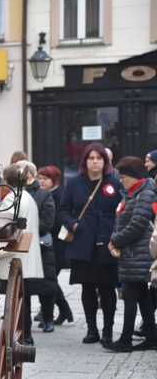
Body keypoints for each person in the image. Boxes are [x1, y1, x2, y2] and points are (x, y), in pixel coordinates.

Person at [59, 143, 122, 346]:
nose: (95, 161)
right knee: (87, 288)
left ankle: (107, 330)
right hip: (82, 242)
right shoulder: (74, 183)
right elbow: (63, 210)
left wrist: (115, 230)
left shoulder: (114, 182)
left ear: (105, 161)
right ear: (84, 161)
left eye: (99, 158)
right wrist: (73, 224)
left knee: (107, 288)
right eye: (91, 158)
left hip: (107, 241)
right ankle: (92, 329)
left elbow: (122, 209)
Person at [0, 164, 54, 346]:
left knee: (21, 300)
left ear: (7, 181)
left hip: (16, 254)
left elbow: (2, 224)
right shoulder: (25, 196)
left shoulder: (14, 198)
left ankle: (25, 335)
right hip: (24, 253)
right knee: (23, 299)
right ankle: (25, 335)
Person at [106, 157, 157, 352]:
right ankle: (152, 336)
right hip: (130, 252)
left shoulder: (146, 193)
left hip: (139, 252)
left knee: (130, 293)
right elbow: (120, 219)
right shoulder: (130, 193)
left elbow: (138, 224)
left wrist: (116, 240)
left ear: (135, 176)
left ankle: (126, 339)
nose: (121, 180)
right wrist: (114, 239)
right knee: (141, 294)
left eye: (124, 176)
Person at [17, 160, 57, 333]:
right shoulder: (15, 193)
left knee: (46, 287)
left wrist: (26, 228)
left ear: (29, 174)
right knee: (23, 288)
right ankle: (24, 325)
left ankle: (48, 318)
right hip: (20, 245)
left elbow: (48, 221)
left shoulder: (43, 195)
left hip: (41, 246)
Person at [37, 165, 73, 325]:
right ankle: (64, 311)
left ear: (54, 180)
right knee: (50, 280)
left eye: (45, 178)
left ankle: (61, 311)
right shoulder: (44, 194)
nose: (42, 181)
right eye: (40, 178)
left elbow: (58, 220)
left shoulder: (59, 195)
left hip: (58, 243)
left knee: (49, 280)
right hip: (48, 242)